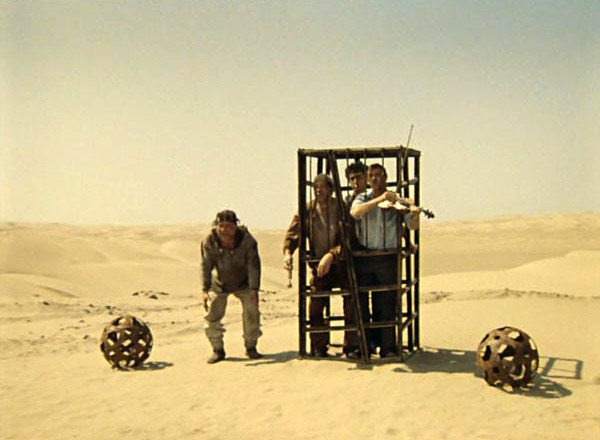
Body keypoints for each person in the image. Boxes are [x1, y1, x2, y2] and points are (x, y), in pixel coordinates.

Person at [350, 163, 420, 358]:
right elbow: (355, 213)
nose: (375, 179)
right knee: (362, 304)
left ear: (386, 177)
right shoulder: (363, 198)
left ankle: (388, 346)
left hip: (388, 257)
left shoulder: (397, 200)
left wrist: (414, 215)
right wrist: (380, 199)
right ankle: (365, 346)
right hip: (366, 256)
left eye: (379, 175)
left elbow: (412, 226)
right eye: (371, 176)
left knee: (387, 303)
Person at [283, 174, 345, 358]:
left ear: (331, 189)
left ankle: (352, 347)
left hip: (342, 264)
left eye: (323, 187)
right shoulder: (308, 210)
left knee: (351, 303)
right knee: (316, 306)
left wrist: (332, 254)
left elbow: (348, 238)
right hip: (319, 266)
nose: (319, 190)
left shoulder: (340, 208)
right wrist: (288, 253)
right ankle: (318, 347)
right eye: (316, 187)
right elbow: (293, 234)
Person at [201, 210, 263, 364]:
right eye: (221, 226)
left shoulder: (247, 241)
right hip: (220, 284)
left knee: (252, 313)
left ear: (235, 227)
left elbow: (254, 266)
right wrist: (204, 289)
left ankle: (251, 346)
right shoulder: (210, 241)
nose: (224, 230)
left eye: (229, 226)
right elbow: (206, 265)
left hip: (244, 283)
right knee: (212, 316)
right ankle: (217, 350)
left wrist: (254, 289)